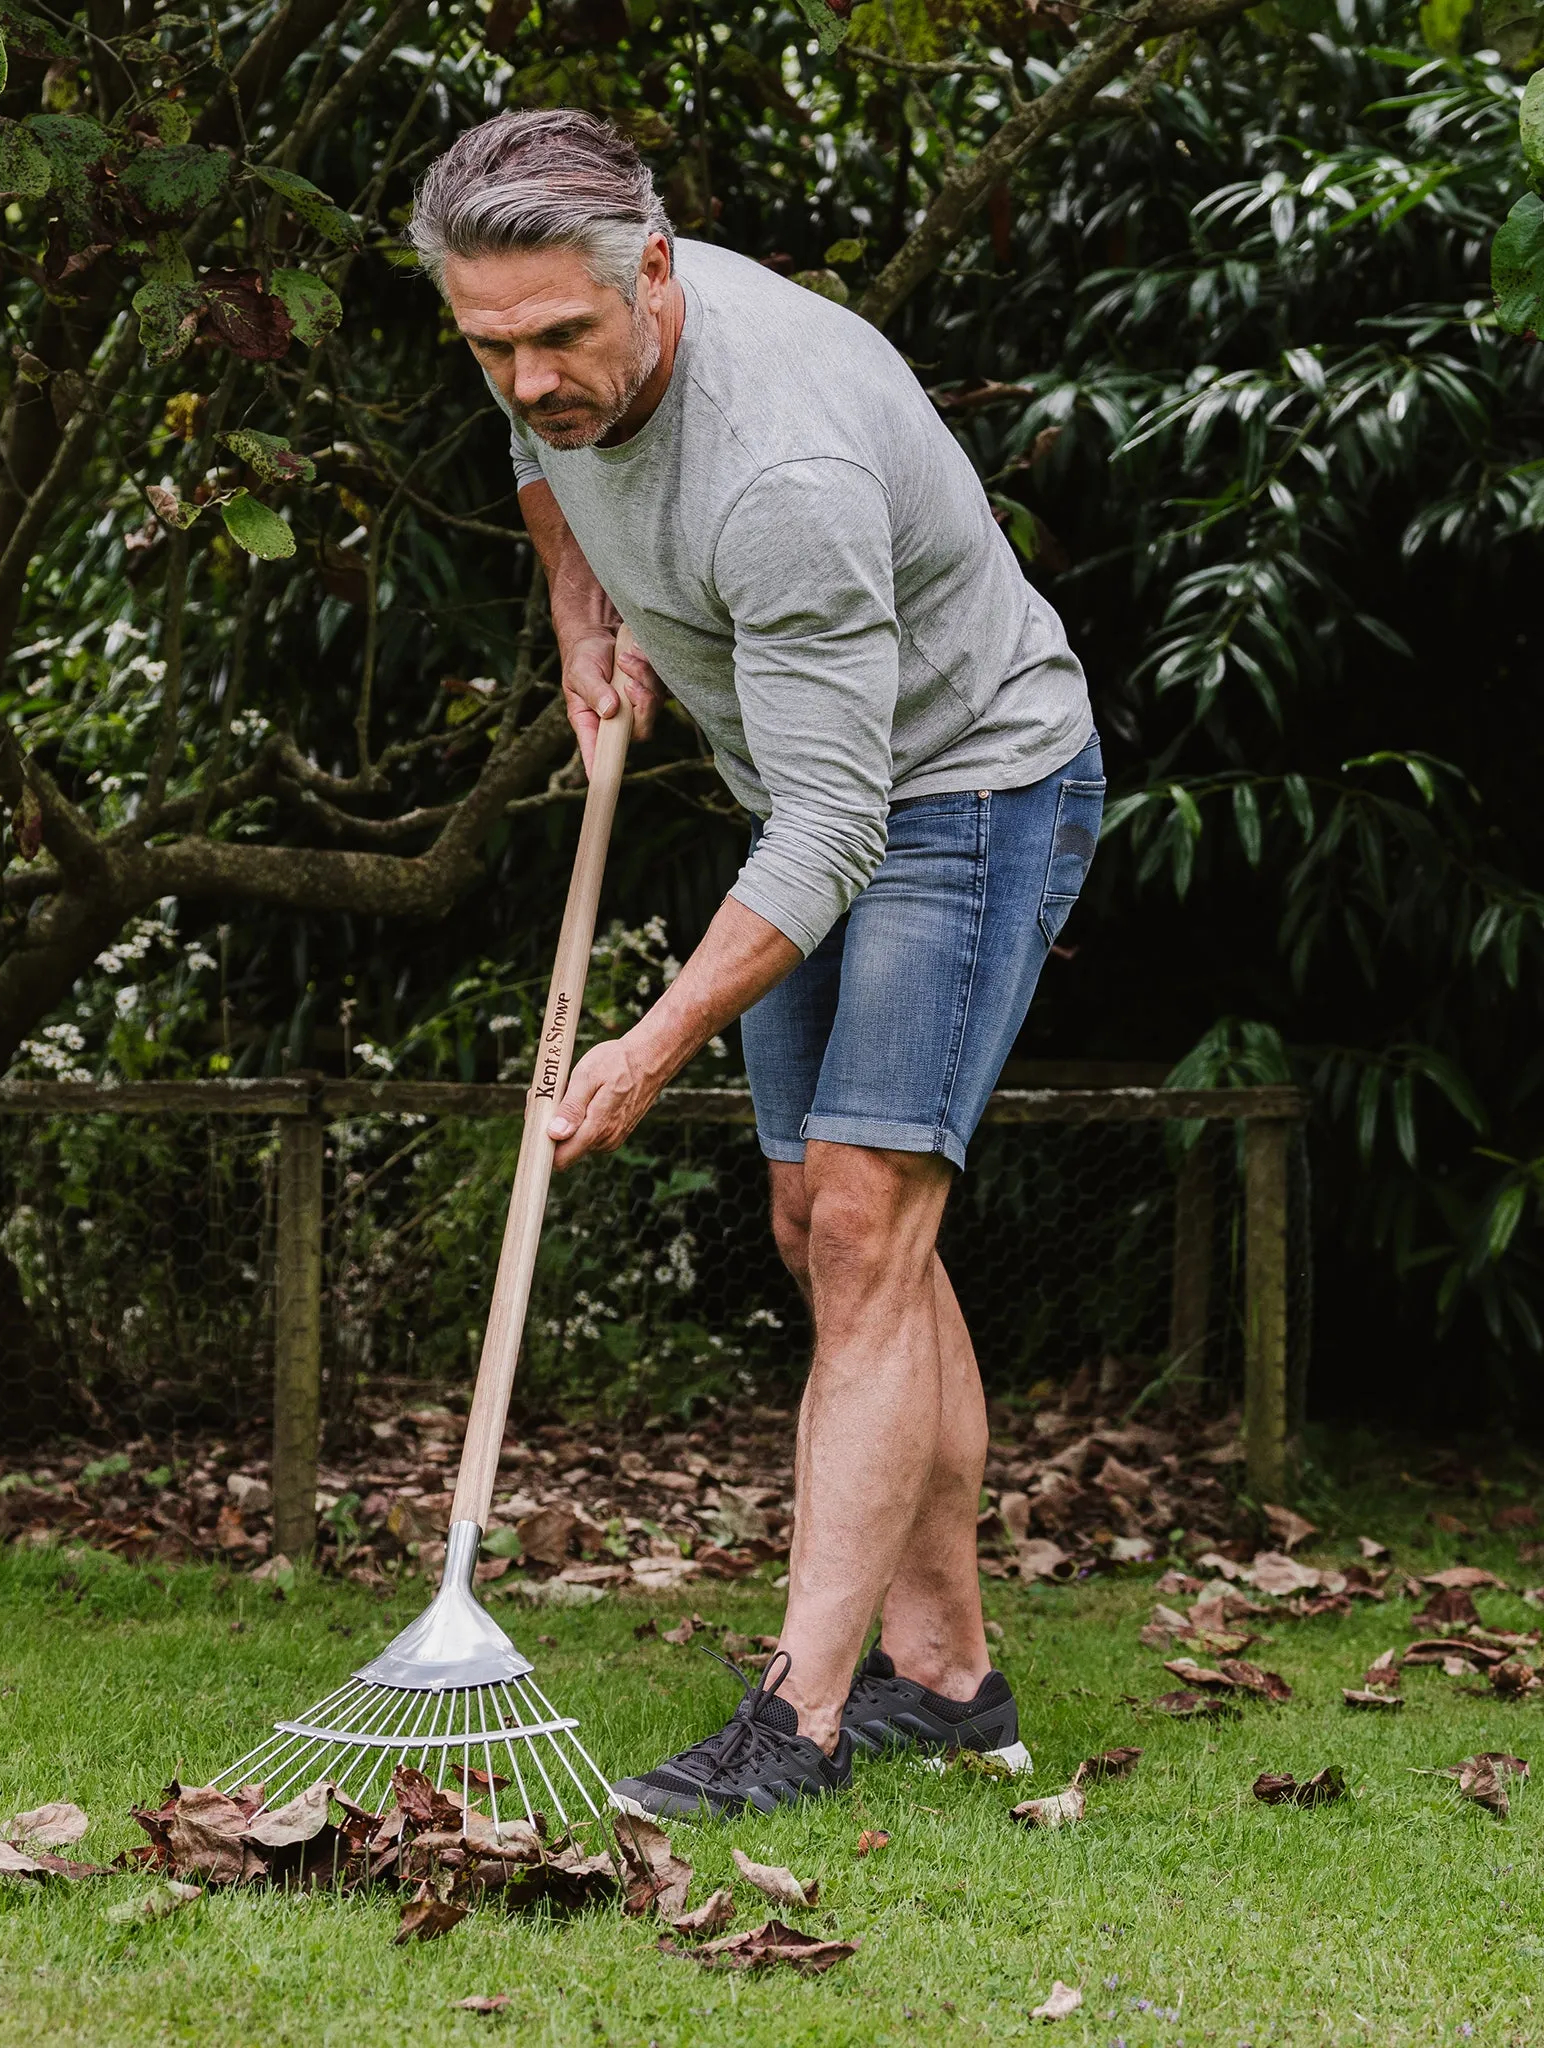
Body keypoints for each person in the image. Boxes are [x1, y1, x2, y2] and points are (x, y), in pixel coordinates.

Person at [407, 109, 1102, 1821]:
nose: (529, 375)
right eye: (490, 342)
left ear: (655, 275)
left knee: (865, 1216)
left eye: (560, 337)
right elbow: (540, 455)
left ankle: (795, 1722)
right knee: (825, 1224)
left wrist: (645, 1045)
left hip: (965, 789)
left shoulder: (777, 466)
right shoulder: (539, 325)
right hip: (818, 793)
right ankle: (948, 1681)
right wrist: (582, 606)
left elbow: (832, 833)